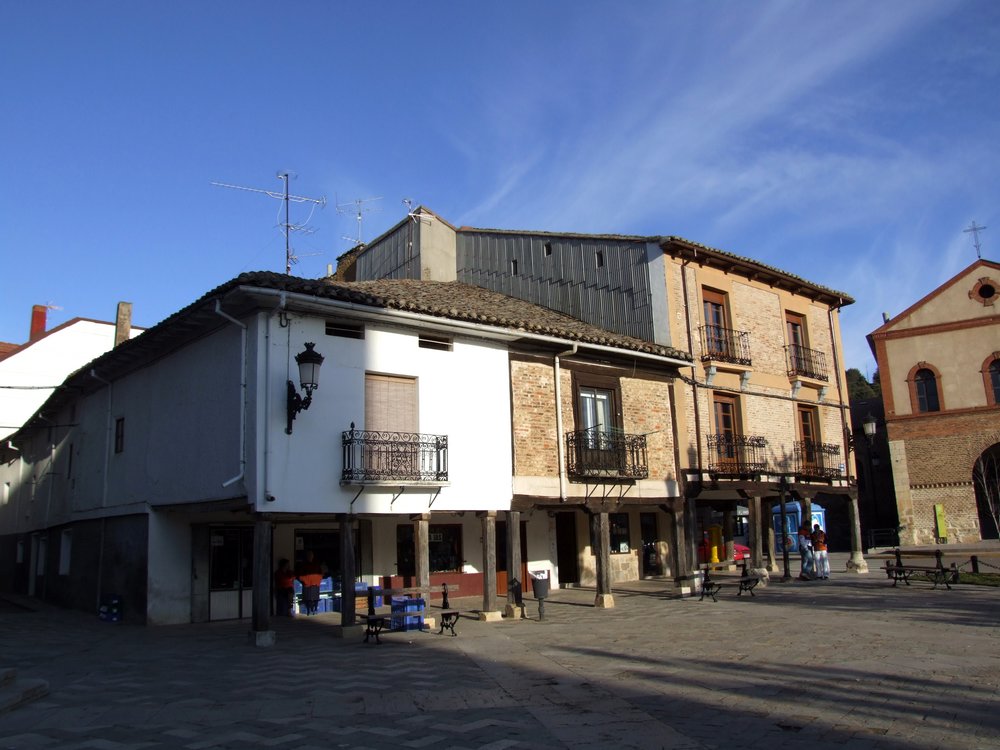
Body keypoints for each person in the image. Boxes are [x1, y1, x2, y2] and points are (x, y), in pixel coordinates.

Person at [297, 551, 324, 615]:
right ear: (307, 557)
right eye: (308, 555)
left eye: (311, 555)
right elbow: (300, 574)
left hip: (315, 583)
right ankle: (308, 610)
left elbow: (321, 573)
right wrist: (303, 581)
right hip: (307, 584)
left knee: (315, 597)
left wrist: (318, 578)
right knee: (307, 598)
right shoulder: (304, 564)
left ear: (313, 556)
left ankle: (315, 609)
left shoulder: (316, 564)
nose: (310, 557)